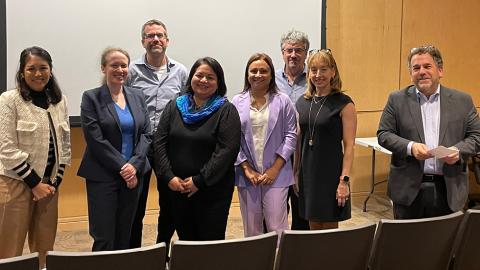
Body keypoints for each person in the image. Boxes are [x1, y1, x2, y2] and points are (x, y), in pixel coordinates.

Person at [377, 45, 480, 219]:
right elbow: (384, 134)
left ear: (440, 70)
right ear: (411, 73)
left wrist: (458, 151)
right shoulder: (396, 100)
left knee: (445, 245)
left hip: (449, 190)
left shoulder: (462, 101)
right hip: (408, 191)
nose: (421, 72)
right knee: (409, 244)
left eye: (427, 66)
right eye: (416, 68)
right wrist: (411, 147)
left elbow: (477, 136)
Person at [153, 57, 241, 241]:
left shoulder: (226, 110)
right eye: (199, 75)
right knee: (186, 241)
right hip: (176, 188)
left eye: (210, 77)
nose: (203, 80)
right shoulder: (174, 106)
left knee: (208, 246)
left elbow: (226, 151)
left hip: (211, 191)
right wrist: (169, 177)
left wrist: (199, 181)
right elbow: (159, 142)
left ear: (219, 83)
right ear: (191, 77)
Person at [0, 46, 71, 267]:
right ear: (22, 72)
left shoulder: (59, 101)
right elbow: (6, 147)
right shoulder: (9, 100)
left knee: (45, 249)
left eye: (43, 68)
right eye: (31, 69)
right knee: (10, 248)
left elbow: (65, 144)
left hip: (49, 187)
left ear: (51, 70)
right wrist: (34, 183)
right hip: (16, 184)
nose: (38, 74)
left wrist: (55, 181)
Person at [78, 48, 151, 251]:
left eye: (123, 65)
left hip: (134, 175)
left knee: (125, 233)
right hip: (103, 175)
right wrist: (124, 167)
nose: (120, 69)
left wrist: (134, 165)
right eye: (114, 65)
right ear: (104, 68)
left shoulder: (137, 96)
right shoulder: (91, 98)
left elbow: (146, 134)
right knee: (104, 235)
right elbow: (95, 139)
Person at [126, 19, 187, 249]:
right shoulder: (131, 71)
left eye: (160, 35)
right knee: (136, 205)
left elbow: (187, 107)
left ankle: (163, 250)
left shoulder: (181, 72)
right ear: (143, 41)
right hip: (138, 146)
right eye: (150, 36)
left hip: (168, 147)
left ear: (167, 40)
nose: (155, 40)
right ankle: (134, 253)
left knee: (169, 203)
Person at [232, 53, 296, 237]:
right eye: (254, 71)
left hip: (277, 174)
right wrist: (246, 168)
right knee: (252, 229)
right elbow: (233, 138)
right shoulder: (237, 102)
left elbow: (291, 136)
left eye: (263, 71)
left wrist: (275, 169)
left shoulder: (283, 101)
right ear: (247, 74)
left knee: (277, 227)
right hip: (247, 175)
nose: (258, 75)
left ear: (271, 75)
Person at [295, 49, 357, 230]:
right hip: (308, 172)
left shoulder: (344, 103)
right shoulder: (302, 102)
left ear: (333, 72)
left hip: (331, 175)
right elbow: (299, 142)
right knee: (313, 224)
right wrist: (296, 172)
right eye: (313, 70)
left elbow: (349, 146)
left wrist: (344, 181)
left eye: (323, 69)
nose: (318, 75)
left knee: (329, 230)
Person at [275, 29, 310, 230]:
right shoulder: (273, 80)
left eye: (298, 50)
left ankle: (299, 257)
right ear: (282, 53)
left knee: (301, 210)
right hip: (278, 153)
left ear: (306, 53)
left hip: (305, 153)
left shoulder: (315, 78)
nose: (293, 55)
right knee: (276, 211)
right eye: (289, 50)